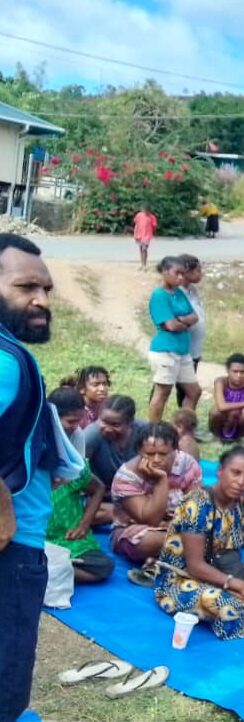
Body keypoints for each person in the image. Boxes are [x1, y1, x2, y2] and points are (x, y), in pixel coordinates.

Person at [0, 233, 79, 722]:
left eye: (47, 289)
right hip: (12, 552)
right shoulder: (8, 362)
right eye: (26, 286)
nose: (41, 300)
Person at [154, 446, 244, 640]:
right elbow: (195, 566)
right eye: (235, 472)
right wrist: (242, 587)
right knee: (228, 606)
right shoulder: (197, 504)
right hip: (184, 579)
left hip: (225, 573)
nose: (241, 482)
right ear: (220, 471)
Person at [46, 387, 115, 584]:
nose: (76, 427)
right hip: (37, 534)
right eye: (71, 422)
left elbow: (98, 488)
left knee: (103, 566)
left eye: (78, 421)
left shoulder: (73, 460)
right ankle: (45, 570)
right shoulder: (36, 456)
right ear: (52, 418)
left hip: (67, 538)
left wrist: (84, 524)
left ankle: (45, 573)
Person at [111, 422, 202, 564]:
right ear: (139, 452)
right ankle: (195, 553)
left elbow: (194, 505)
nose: (157, 460)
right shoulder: (127, 476)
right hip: (137, 530)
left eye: (163, 454)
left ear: (175, 450)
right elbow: (150, 519)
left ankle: (167, 558)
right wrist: (161, 481)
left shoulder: (187, 465)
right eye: (150, 454)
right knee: (148, 542)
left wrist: (175, 524)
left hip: (180, 526)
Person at [147, 256, 201, 423]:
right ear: (165, 272)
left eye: (182, 274)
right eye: (176, 273)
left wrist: (180, 320)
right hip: (165, 351)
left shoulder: (179, 293)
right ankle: (153, 431)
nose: (180, 278)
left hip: (182, 350)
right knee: (162, 392)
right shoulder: (159, 296)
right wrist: (182, 321)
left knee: (194, 391)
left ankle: (181, 427)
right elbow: (171, 326)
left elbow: (194, 316)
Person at [84, 394, 147, 526]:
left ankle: (134, 515)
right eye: (103, 421)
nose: (107, 428)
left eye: (115, 424)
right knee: (83, 515)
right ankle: (133, 516)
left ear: (130, 422)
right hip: (105, 498)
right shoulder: (92, 435)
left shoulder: (144, 433)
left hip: (139, 494)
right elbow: (77, 469)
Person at [175, 254, 206, 410]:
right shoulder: (177, 292)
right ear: (187, 271)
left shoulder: (192, 290)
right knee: (185, 389)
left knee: (186, 391)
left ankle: (185, 421)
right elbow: (178, 319)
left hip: (193, 350)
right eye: (198, 270)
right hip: (181, 350)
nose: (201, 274)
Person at [210, 353, 244, 442]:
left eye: (242, 372)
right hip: (224, 415)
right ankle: (217, 436)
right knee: (215, 412)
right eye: (235, 371)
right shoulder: (221, 382)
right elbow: (222, 406)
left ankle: (239, 436)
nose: (239, 375)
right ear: (228, 370)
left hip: (240, 417)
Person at [133, 203, 158, 271]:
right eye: (144, 210)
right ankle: (142, 264)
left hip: (147, 235)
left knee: (144, 249)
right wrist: (135, 234)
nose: (146, 212)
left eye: (147, 210)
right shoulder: (139, 215)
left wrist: (152, 232)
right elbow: (136, 224)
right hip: (139, 235)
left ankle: (144, 265)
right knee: (141, 249)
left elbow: (154, 226)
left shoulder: (152, 217)